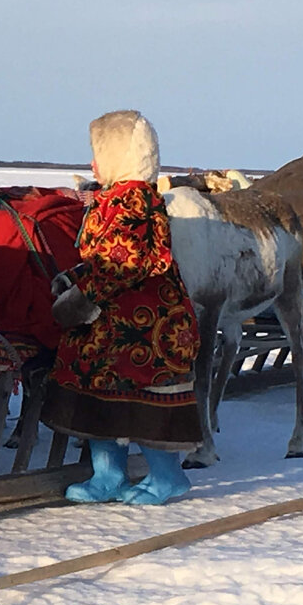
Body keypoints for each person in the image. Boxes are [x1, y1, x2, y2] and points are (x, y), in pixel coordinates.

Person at [40, 110, 202, 505]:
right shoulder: (114, 198)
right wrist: (78, 277)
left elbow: (123, 262)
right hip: (109, 321)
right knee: (101, 397)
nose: (93, 163)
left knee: (142, 396)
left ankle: (167, 476)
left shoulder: (133, 201)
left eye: (100, 154)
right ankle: (108, 476)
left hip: (141, 323)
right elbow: (101, 257)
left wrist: (80, 296)